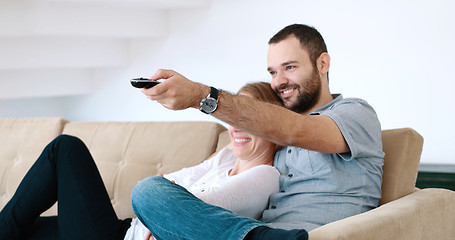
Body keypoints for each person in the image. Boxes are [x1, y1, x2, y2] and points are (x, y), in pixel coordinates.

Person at [134, 23, 384, 240]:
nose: (278, 82)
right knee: (151, 192)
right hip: (256, 230)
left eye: (290, 67)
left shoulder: (355, 113)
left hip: (310, 233)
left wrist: (201, 97)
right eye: (273, 72)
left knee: (146, 193)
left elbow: (296, 130)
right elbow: (225, 156)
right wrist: (172, 217)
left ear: (322, 63)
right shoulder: (272, 134)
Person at [0, 82, 283, 240]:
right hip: (127, 229)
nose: (236, 128)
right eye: (235, 118)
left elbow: (194, 207)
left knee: (65, 149)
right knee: (26, 229)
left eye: (251, 120)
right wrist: (160, 201)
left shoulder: (265, 176)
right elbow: (166, 185)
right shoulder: (224, 157)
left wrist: (163, 199)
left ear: (275, 129)